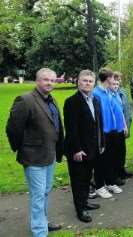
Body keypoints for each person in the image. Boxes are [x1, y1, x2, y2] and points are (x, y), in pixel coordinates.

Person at [6, 68, 64, 236]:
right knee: (38, 195)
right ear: (37, 80)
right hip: (33, 157)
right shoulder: (25, 100)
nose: (49, 83)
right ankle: (40, 231)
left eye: (52, 80)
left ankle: (42, 222)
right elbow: (13, 129)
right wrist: (22, 148)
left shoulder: (51, 100)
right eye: (45, 79)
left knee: (45, 192)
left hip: (50, 154)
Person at [63, 70, 104, 223]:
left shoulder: (95, 100)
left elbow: (99, 124)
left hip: (93, 148)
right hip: (78, 150)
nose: (87, 83)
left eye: (90, 81)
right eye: (84, 80)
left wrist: (102, 143)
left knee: (87, 178)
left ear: (94, 83)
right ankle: (80, 209)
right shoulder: (71, 102)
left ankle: (85, 202)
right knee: (78, 180)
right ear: (78, 82)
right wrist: (76, 149)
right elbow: (71, 128)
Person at [93, 68, 125, 198]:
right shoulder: (96, 93)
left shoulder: (108, 92)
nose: (114, 80)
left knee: (111, 158)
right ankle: (99, 186)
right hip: (103, 132)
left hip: (113, 130)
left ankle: (110, 182)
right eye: (113, 77)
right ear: (108, 79)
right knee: (101, 160)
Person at [113, 72, 133, 179]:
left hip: (124, 124)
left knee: (122, 150)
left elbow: (127, 106)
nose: (119, 82)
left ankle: (122, 170)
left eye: (119, 80)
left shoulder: (123, 92)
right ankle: (116, 172)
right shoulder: (111, 94)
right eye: (116, 80)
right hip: (115, 127)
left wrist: (128, 121)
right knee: (116, 151)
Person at [109, 78, 130, 186]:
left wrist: (125, 126)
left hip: (120, 128)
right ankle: (115, 176)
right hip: (113, 129)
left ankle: (121, 172)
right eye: (113, 84)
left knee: (122, 151)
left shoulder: (117, 95)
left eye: (117, 84)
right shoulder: (109, 96)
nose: (116, 86)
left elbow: (121, 112)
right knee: (114, 153)